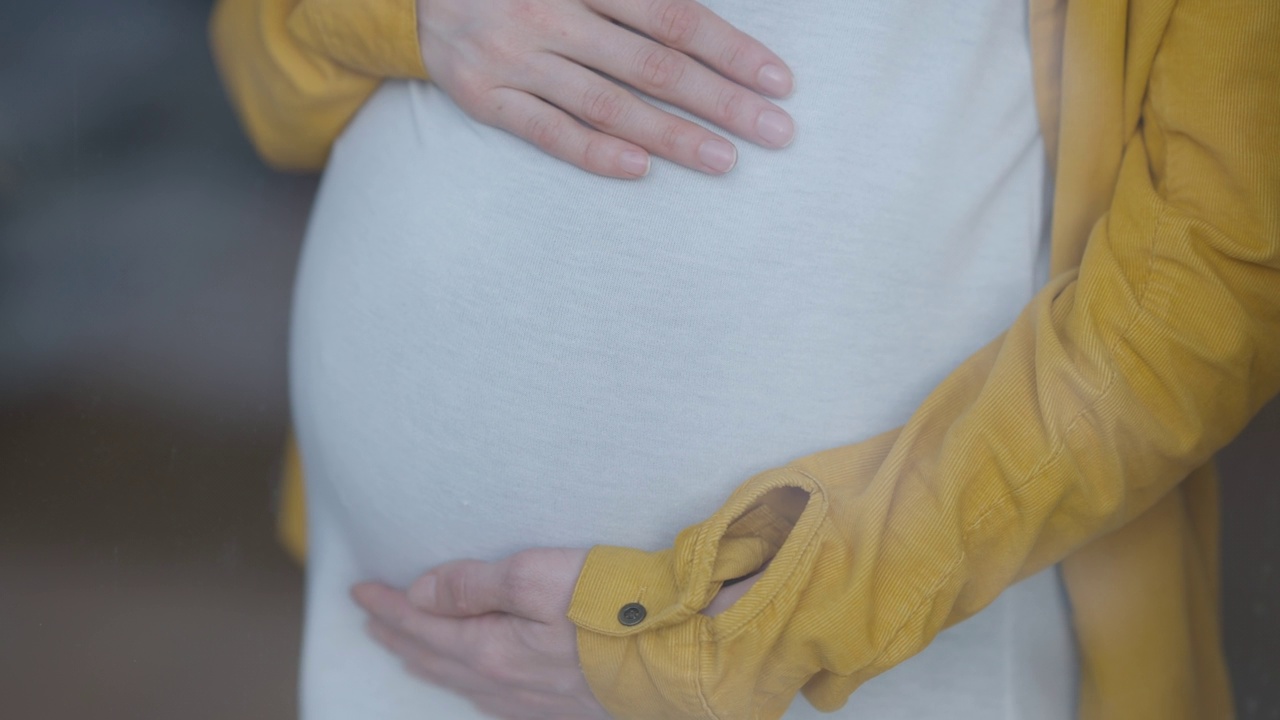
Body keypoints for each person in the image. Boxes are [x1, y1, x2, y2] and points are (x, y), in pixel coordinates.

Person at [210, 0, 1279, 718]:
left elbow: (1221, 276)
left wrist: (735, 637)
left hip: (870, 655)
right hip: (419, 646)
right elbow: (261, 72)